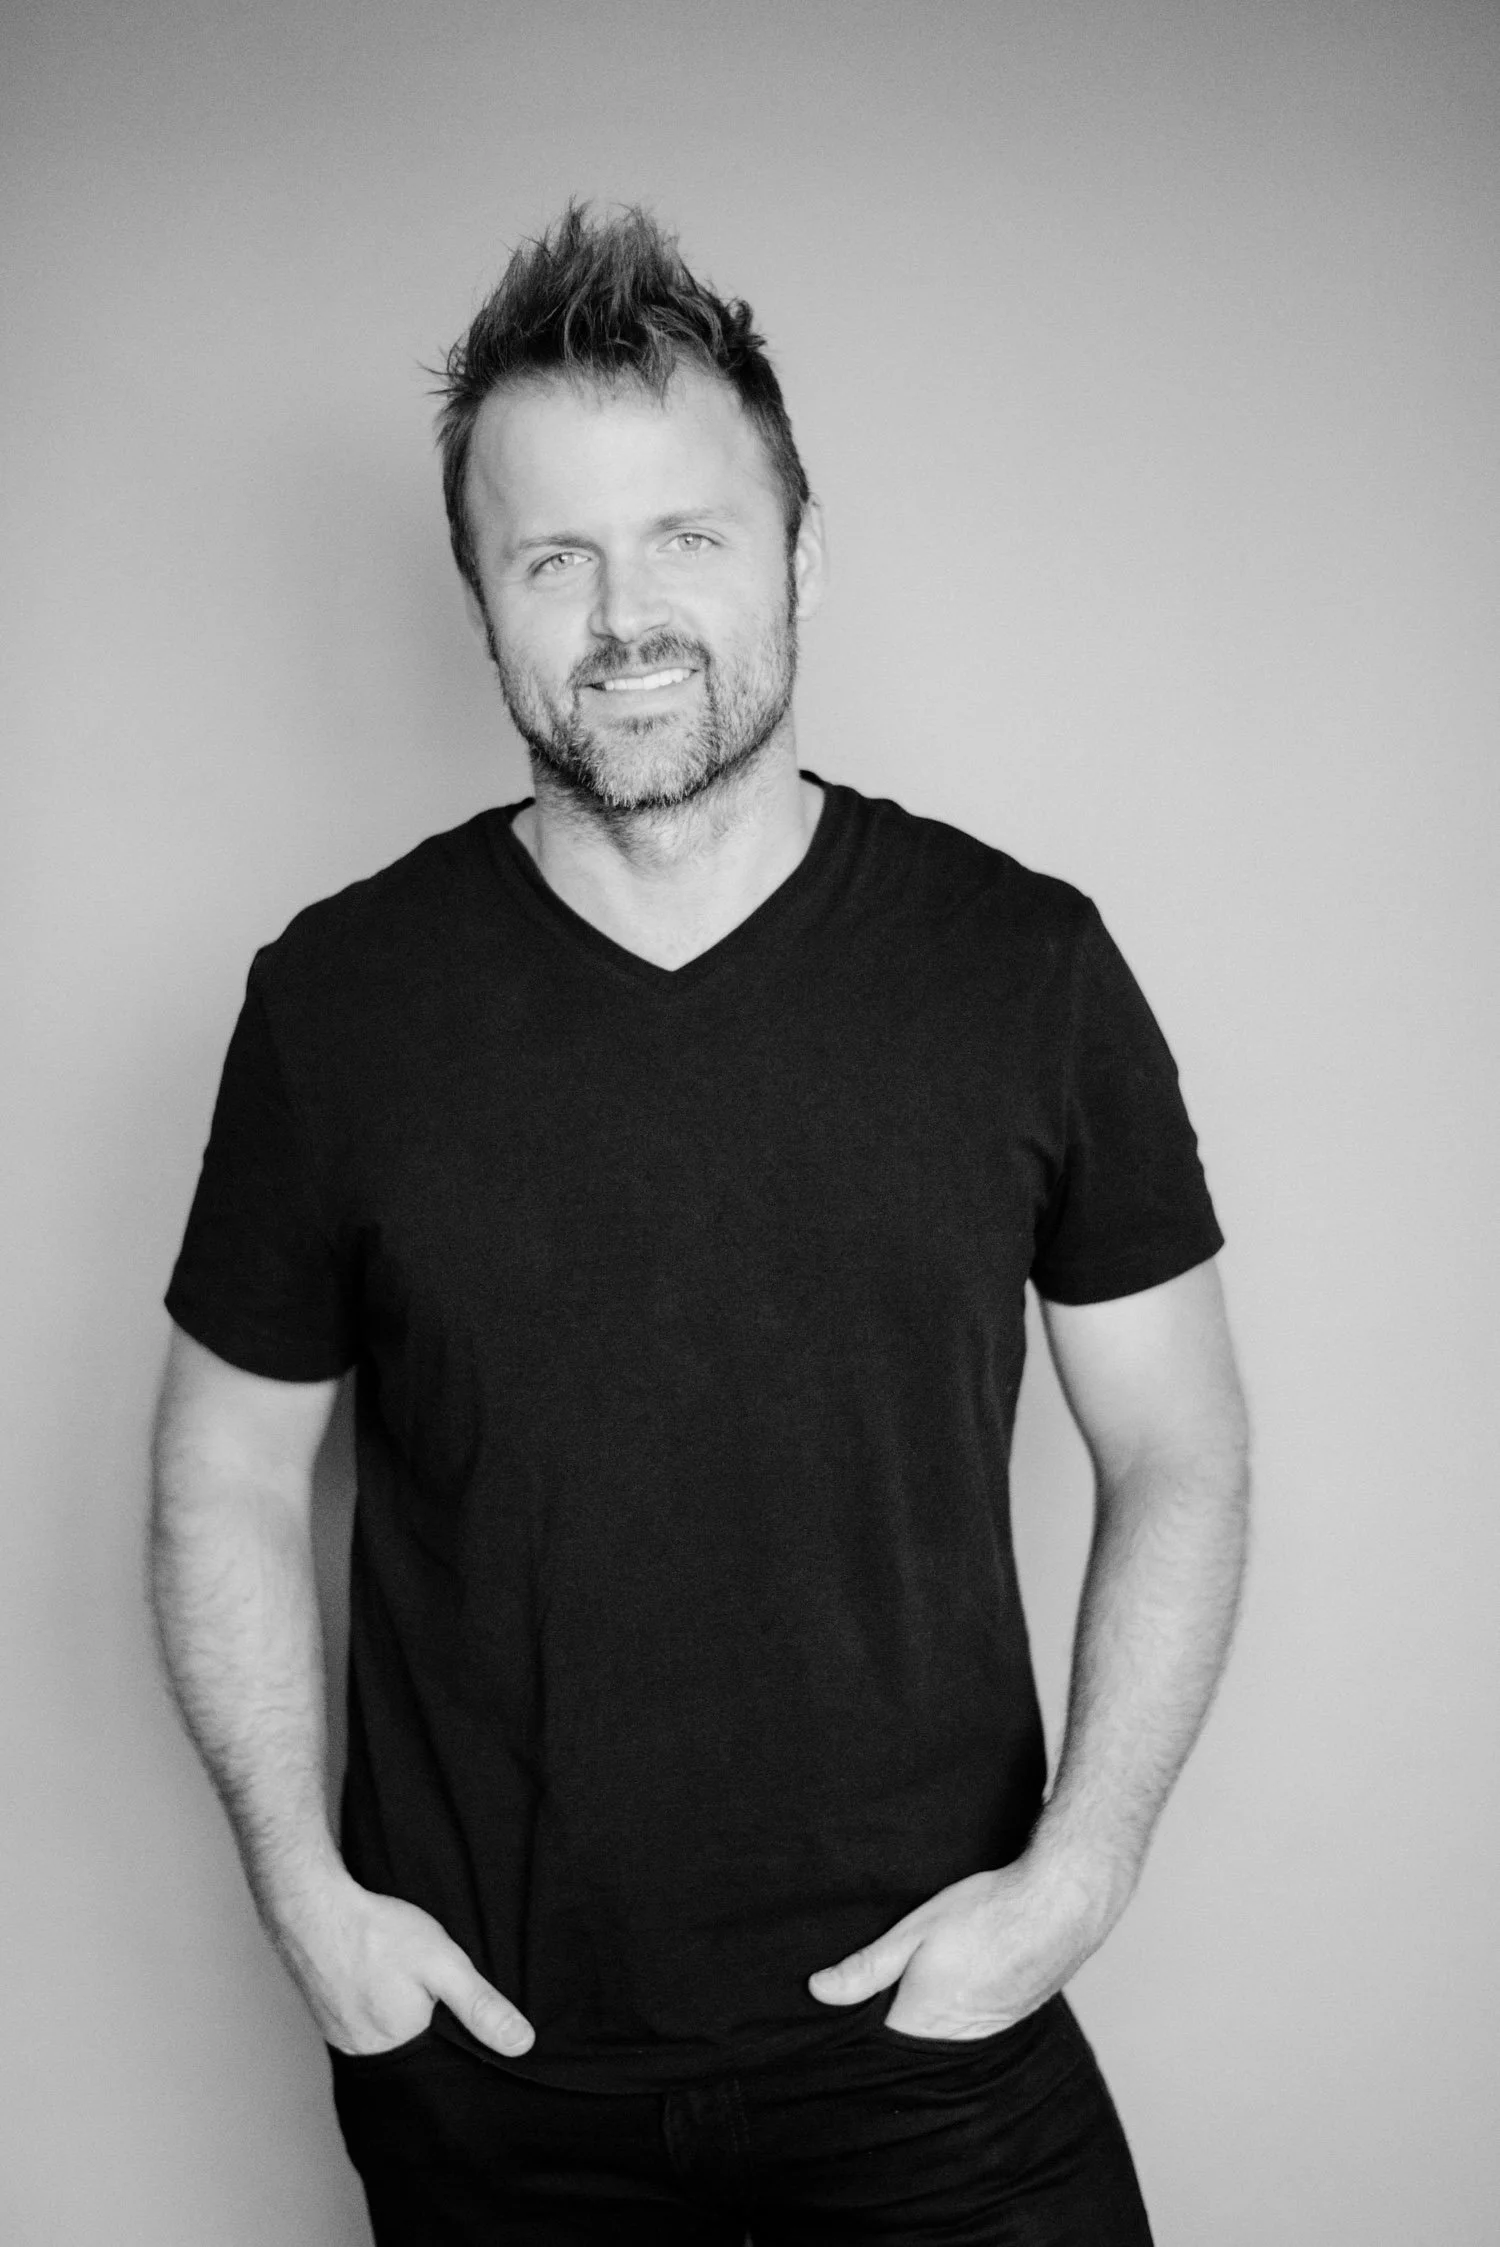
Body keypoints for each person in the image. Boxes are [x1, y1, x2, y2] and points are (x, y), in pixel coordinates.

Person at [151, 203, 1249, 2245]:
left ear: (799, 557)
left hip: (938, 2052)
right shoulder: (337, 1006)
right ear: (478, 597)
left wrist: (1080, 1871)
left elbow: (1179, 1449)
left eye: (689, 537)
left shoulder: (1025, 970)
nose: (624, 612)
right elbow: (223, 1466)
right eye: (552, 554)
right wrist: (310, 1902)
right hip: (493, 2081)